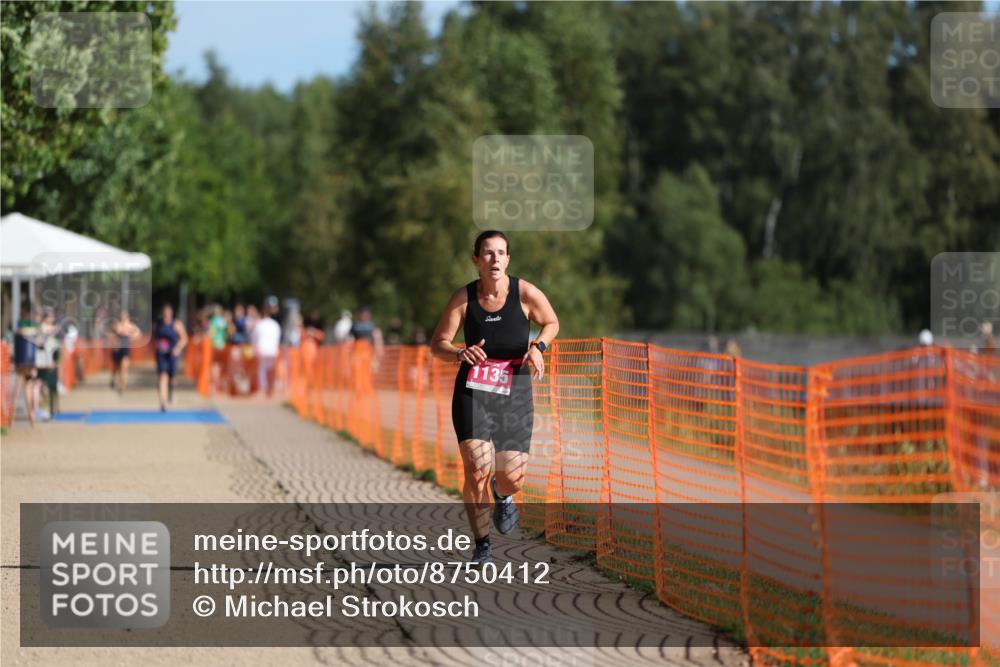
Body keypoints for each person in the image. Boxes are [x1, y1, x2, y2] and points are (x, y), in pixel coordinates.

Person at [430, 230, 559, 565]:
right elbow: (438, 343)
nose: (495, 259)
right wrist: (459, 353)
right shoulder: (464, 299)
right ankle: (482, 545)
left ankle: (503, 495)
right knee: (476, 469)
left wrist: (538, 347)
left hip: (514, 391)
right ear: (476, 260)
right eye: (487, 253)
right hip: (473, 391)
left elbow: (551, 322)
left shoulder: (525, 293)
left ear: (508, 259)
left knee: (511, 476)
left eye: (501, 253)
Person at [155, 304, 188, 412]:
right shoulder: (158, 324)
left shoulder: (176, 324)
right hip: (161, 355)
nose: (166, 315)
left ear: (171, 313)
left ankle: (171, 392)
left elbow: (184, 338)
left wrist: (178, 348)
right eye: (165, 312)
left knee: (172, 379)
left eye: (168, 313)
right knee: (163, 376)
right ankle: (163, 402)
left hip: (172, 354)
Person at [13, 306, 40, 426]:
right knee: (32, 386)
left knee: (26, 386)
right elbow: (38, 340)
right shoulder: (33, 326)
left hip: (20, 362)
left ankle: (30, 413)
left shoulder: (18, 325)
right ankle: (32, 412)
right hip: (31, 362)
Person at [34, 310, 61, 419]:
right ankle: (40, 409)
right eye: (50, 316)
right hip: (44, 361)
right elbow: (41, 343)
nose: (52, 319)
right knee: (41, 385)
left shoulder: (50, 330)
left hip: (50, 359)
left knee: (47, 386)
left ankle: (45, 409)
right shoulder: (43, 328)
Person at [253, 304, 282, 397]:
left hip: (262, 349)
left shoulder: (260, 324)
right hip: (273, 350)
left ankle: (263, 389)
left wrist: (255, 348)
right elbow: (278, 337)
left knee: (262, 370)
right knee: (270, 369)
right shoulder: (275, 324)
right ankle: (270, 389)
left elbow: (255, 337)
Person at [110, 310, 142, 394]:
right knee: (116, 367)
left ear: (127, 317)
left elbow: (138, 333)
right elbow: (110, 334)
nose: (123, 318)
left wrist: (133, 336)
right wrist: (114, 340)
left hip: (125, 349)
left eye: (125, 316)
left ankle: (122, 385)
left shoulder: (130, 326)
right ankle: (113, 379)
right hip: (117, 349)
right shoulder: (116, 325)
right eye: (122, 316)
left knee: (124, 367)